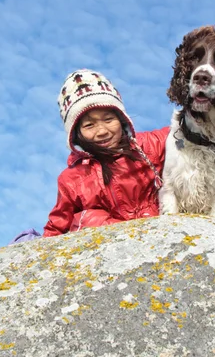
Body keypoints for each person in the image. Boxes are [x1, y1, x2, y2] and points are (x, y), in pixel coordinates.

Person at [42, 69, 169, 237]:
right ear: (76, 133)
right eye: (89, 125)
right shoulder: (72, 179)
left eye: (108, 120)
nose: (102, 131)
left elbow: (187, 133)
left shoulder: (151, 145)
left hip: (162, 231)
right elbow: (56, 227)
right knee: (89, 219)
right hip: (111, 250)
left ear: (121, 120)